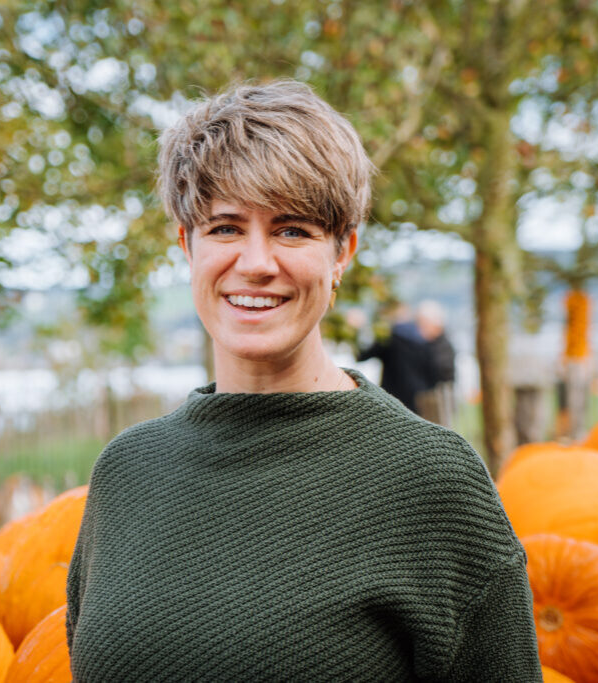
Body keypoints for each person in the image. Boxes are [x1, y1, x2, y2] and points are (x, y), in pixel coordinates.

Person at [66, 80, 542, 682]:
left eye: (293, 230)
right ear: (187, 245)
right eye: (225, 228)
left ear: (343, 252)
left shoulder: (432, 482)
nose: (258, 263)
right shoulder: (127, 474)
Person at [351, 303, 438, 415]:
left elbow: (361, 356)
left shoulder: (388, 338)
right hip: (417, 397)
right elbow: (432, 371)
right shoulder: (422, 340)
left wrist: (356, 331)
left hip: (391, 396)